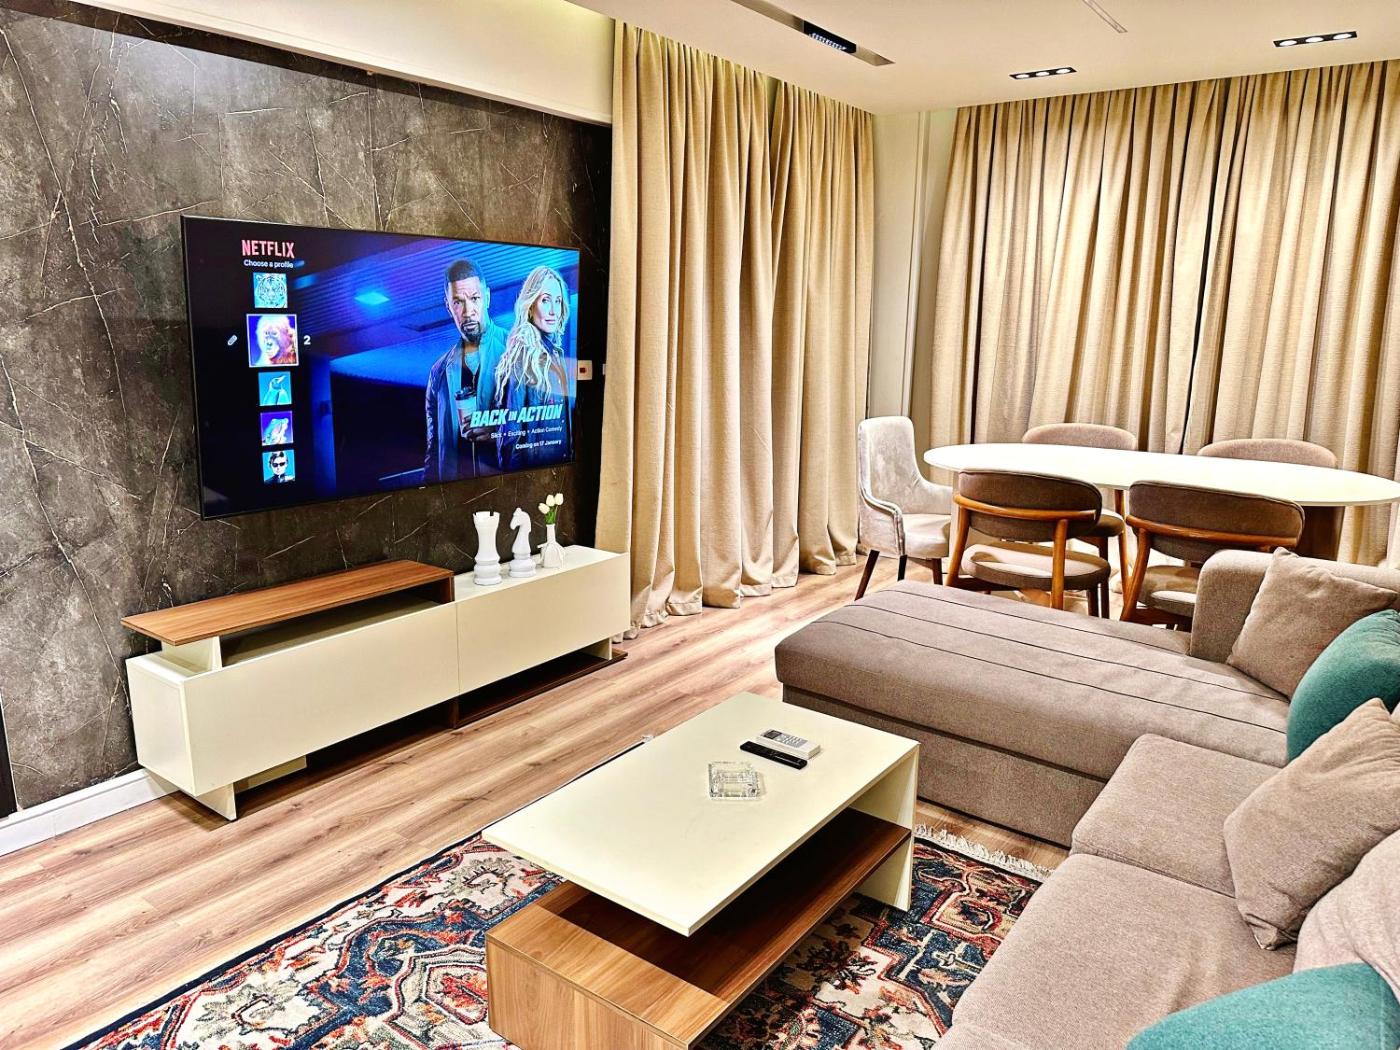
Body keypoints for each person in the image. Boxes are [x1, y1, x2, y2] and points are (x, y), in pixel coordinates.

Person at [424, 259, 507, 482]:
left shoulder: (518, 351)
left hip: (506, 488)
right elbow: (434, 450)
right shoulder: (439, 372)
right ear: (448, 306)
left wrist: (499, 432)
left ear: (487, 297)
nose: (468, 312)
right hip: (455, 492)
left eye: (475, 298)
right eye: (458, 302)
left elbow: (542, 426)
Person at [493, 266, 573, 471]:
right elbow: (510, 439)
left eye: (558, 301)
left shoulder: (556, 354)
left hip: (559, 471)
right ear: (530, 306)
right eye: (546, 300)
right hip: (534, 476)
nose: (554, 311)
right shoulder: (521, 357)